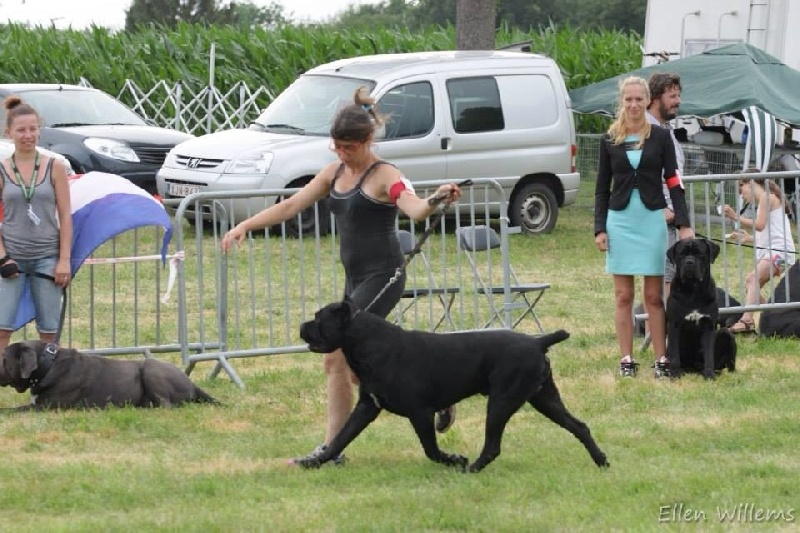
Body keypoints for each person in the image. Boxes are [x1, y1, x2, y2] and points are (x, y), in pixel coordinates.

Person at [221, 87, 463, 464]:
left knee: (334, 358)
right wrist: (245, 226)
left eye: (348, 148)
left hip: (384, 276)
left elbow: (414, 210)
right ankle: (438, 395)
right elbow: (292, 205)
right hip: (354, 280)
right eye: (336, 147)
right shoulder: (332, 172)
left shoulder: (386, 175)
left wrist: (435, 199)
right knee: (355, 368)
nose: (342, 154)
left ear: (367, 141)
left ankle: (331, 450)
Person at [594, 76, 694, 378]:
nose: (634, 105)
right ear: (621, 102)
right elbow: (601, 188)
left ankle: (661, 359)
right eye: (629, 100)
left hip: (652, 219)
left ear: (646, 100)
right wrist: (600, 228)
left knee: (653, 296)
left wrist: (683, 221)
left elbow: (674, 181)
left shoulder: (661, 137)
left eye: (639, 99)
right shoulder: (610, 138)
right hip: (621, 220)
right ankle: (626, 359)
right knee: (623, 296)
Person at [0, 96, 72, 354]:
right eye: (21, 130)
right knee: (2, 327)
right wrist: (3, 257)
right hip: (13, 257)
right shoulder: (2, 169)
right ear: (9, 133)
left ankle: (49, 384)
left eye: (32, 129)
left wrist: (64, 260)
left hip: (47, 257)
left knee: (49, 330)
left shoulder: (55, 167)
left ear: (39, 130)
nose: (28, 135)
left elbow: (65, 215)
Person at [723, 172, 796, 333]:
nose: (742, 196)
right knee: (752, 288)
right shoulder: (767, 198)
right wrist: (748, 238)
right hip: (779, 251)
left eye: (741, 190)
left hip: (780, 252)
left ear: (749, 183)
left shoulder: (766, 197)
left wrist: (735, 217)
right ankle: (775, 315)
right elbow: (770, 230)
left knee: (752, 279)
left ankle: (747, 321)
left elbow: (760, 225)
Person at [645, 72, 683, 312]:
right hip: (660, 214)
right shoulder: (647, 129)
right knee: (662, 277)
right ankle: (661, 334)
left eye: (678, 95)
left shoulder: (666, 128)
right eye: (672, 96)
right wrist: (660, 208)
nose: (677, 101)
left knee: (668, 274)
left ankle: (665, 334)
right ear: (656, 98)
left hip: (673, 213)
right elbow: (643, 175)